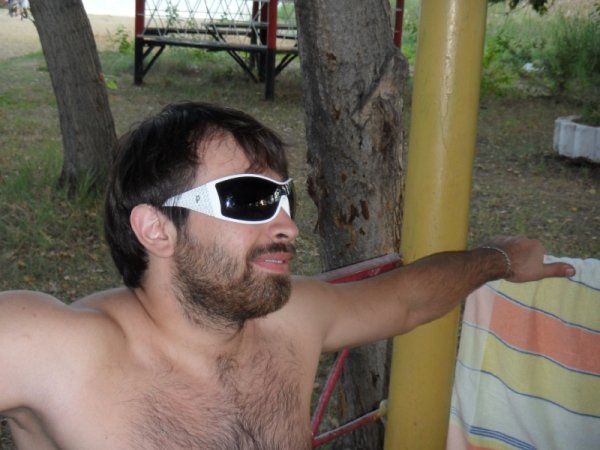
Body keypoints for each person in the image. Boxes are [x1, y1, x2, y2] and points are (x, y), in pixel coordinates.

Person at [0, 102, 575, 449]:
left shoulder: (292, 321)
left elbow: (406, 300)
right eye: (251, 198)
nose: (289, 227)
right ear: (156, 229)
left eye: (285, 198)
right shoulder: (56, 348)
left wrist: (498, 259)